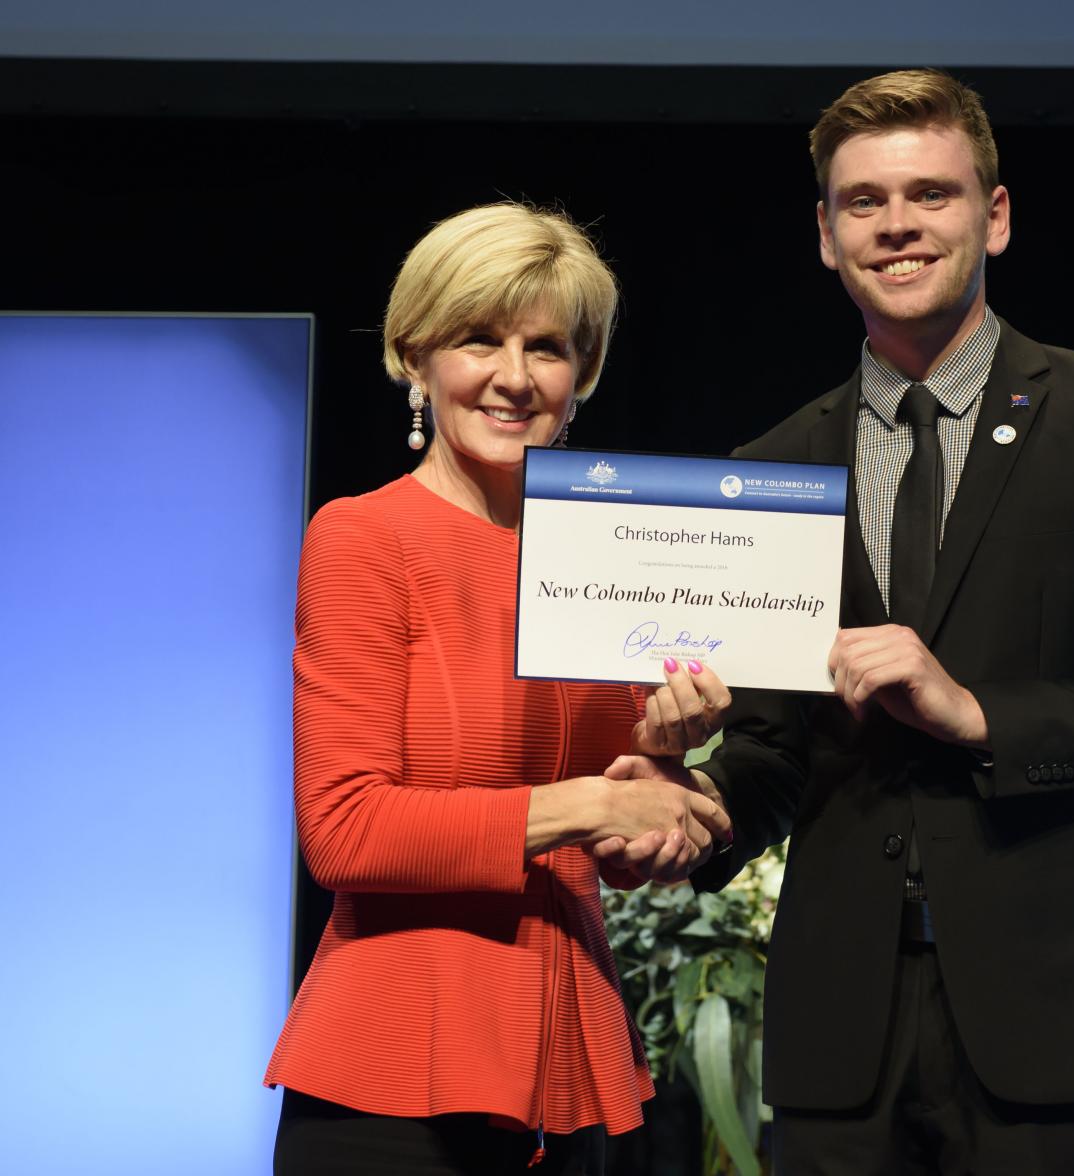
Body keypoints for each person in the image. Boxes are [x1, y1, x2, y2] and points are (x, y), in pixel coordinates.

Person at [645, 69, 1074, 1173]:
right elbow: (778, 753)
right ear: (827, 238)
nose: (897, 225)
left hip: (1061, 1026)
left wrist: (979, 714)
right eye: (864, 203)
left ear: (995, 215)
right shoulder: (775, 465)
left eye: (930, 194)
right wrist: (694, 805)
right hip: (844, 1037)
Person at [264, 202, 731, 1176]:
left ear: (583, 374)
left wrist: (665, 787)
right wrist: (595, 802)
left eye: (548, 348)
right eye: (480, 339)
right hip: (396, 1078)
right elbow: (344, 831)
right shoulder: (362, 538)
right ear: (414, 357)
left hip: (575, 1067)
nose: (515, 377)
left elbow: (618, 849)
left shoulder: (609, 553)